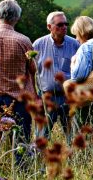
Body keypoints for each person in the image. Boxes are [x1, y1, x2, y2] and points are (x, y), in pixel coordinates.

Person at [0, 0, 37, 162]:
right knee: (20, 141)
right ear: (17, 18)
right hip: (18, 99)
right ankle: (22, 172)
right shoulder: (23, 41)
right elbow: (33, 69)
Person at [32, 11, 79, 140]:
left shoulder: (75, 44)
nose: (64, 27)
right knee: (42, 137)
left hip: (68, 97)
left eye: (66, 24)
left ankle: (73, 154)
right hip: (46, 97)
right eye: (60, 24)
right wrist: (34, 94)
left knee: (73, 137)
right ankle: (39, 154)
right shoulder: (38, 45)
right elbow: (31, 71)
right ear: (49, 26)